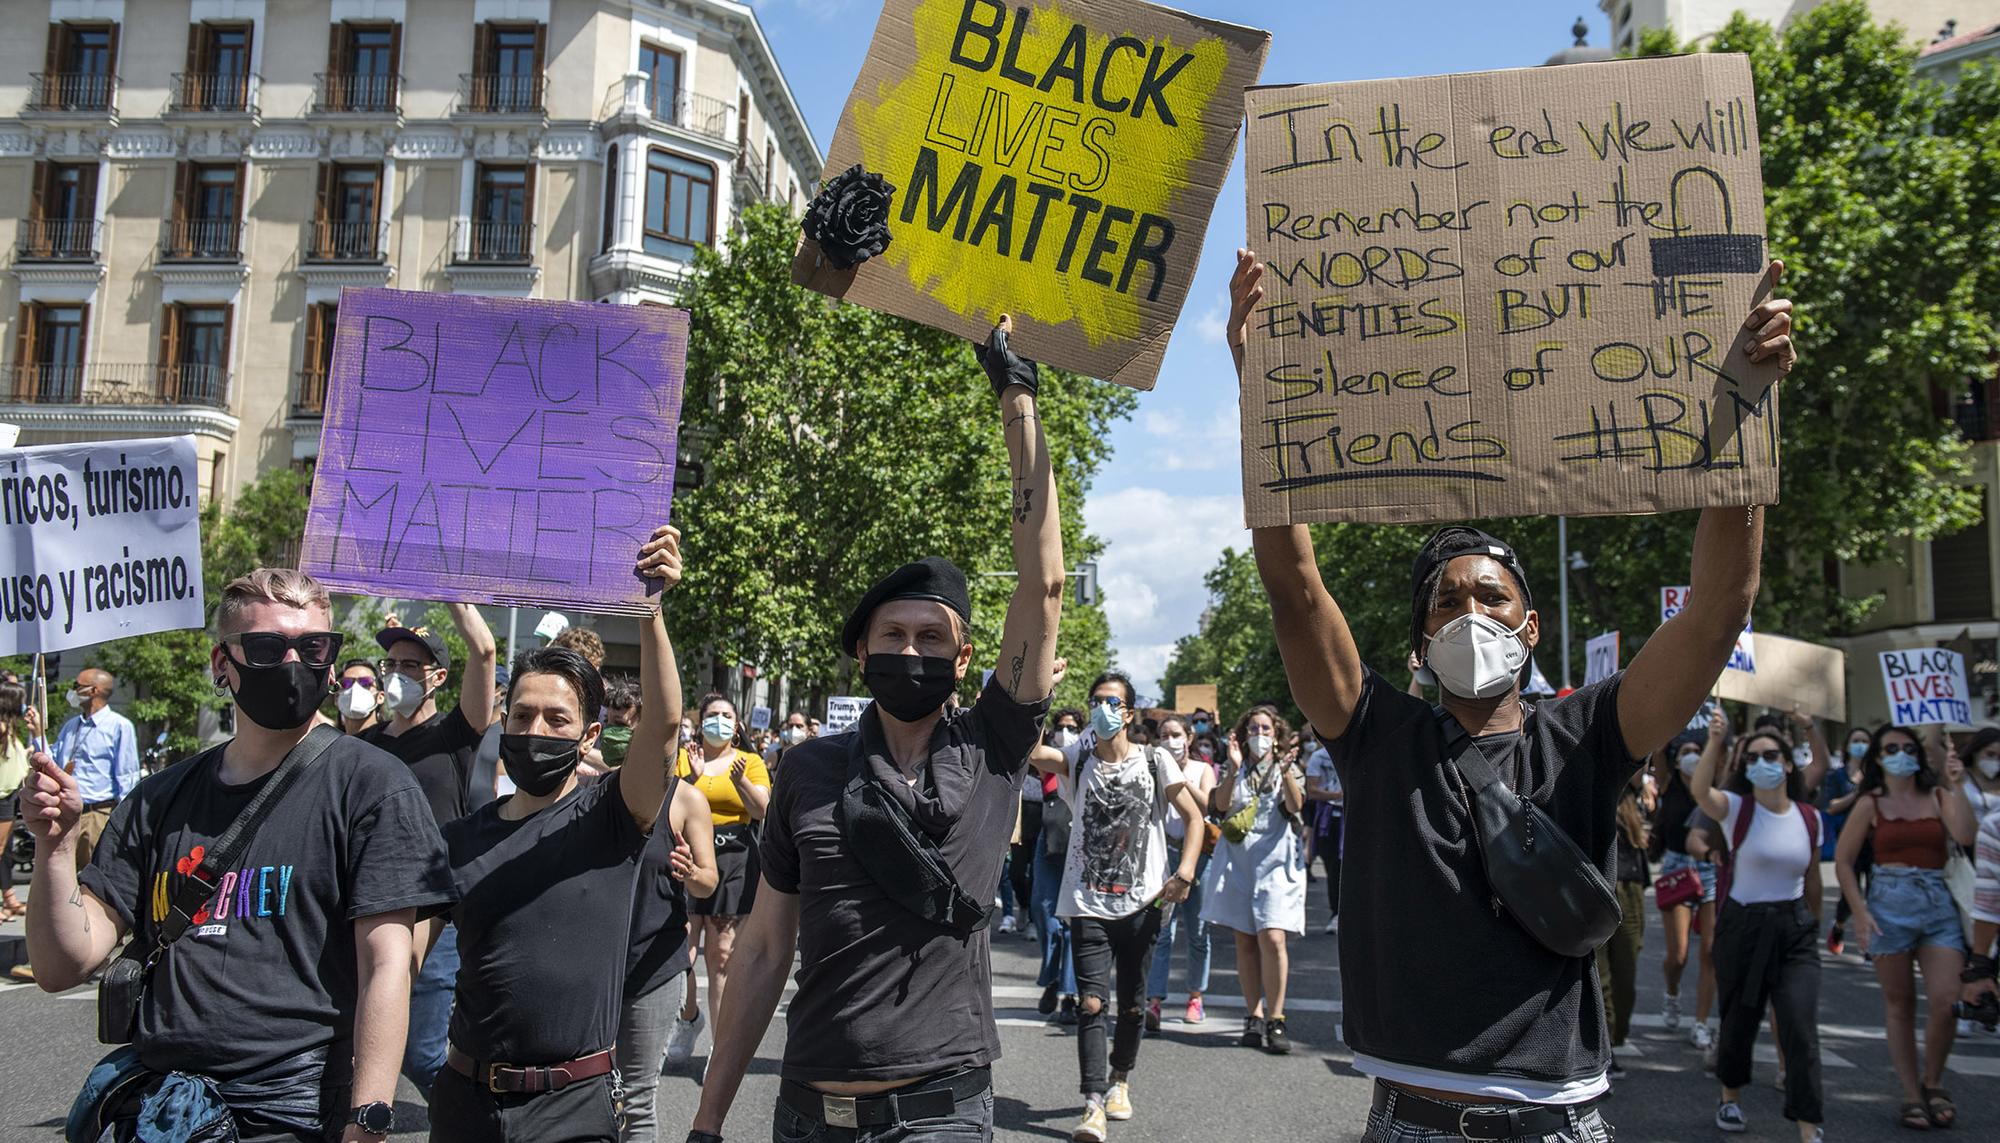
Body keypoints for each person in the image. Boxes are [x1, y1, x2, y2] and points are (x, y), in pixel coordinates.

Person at [1228, 240, 1798, 1137]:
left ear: (1530, 628)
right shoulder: (1375, 732)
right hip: (1406, 1119)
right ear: (1420, 639)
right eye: (1445, 601)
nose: (1467, 612)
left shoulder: (1591, 732)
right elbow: (1296, 589)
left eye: (1489, 597)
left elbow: (1720, 609)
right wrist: (1259, 396)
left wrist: (1746, 409)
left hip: (1557, 1124)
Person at [688, 319, 1063, 1143]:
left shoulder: (993, 746)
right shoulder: (807, 771)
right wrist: (708, 1121)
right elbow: (760, 952)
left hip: (940, 1115)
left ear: (966, 660)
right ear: (861, 651)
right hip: (808, 1113)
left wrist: (1018, 400)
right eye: (893, 635)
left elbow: (1044, 581)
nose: (910, 651)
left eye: (933, 638)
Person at [26, 567, 455, 1141]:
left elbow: (388, 967)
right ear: (221, 664)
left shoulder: (372, 786)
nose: (292, 662)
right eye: (266, 646)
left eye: (313, 646)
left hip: (293, 1112)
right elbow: (62, 965)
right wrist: (54, 847)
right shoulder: (159, 798)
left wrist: (368, 1120)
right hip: (162, 1109)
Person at [424, 525, 682, 1142]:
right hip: (466, 1105)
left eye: (557, 718)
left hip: (575, 1110)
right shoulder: (460, 840)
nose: (535, 728)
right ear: (502, 722)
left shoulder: (613, 817)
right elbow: (397, 963)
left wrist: (649, 609)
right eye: (521, 714)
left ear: (589, 737)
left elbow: (665, 724)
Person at [1028, 672, 1203, 1142]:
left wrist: (1184, 872)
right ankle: (1092, 1104)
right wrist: (1036, 692)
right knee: (1090, 1003)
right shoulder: (1076, 758)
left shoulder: (1156, 760)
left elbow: (1194, 818)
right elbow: (1027, 749)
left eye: (1113, 702)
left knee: (1131, 1005)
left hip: (1143, 904)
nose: (1104, 708)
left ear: (1128, 713)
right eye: (1096, 701)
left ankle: (1119, 1080)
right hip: (1087, 903)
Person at [356, 604, 498, 1097]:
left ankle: (473, 1122)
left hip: (432, 914)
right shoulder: (367, 743)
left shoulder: (455, 734)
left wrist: (454, 594)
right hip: (367, 905)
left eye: (409, 666)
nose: (395, 674)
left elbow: (483, 650)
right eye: (389, 664)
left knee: (422, 1053)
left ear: (437, 677)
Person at [1689, 713, 1826, 1140]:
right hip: (1744, 926)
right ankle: (1730, 1097)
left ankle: (1808, 1124)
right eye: (1752, 758)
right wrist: (1715, 740)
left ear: (1788, 764)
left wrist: (1815, 927)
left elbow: (1814, 880)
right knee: (1739, 1021)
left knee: (1800, 1027)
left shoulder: (1809, 818)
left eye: (1771, 755)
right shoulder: (1735, 809)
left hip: (1794, 930)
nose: (1761, 763)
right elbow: (1700, 790)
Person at [1836, 726, 1979, 1130]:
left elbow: (1966, 834)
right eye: (1891, 748)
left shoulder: (1938, 795)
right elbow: (1845, 861)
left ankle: (1934, 1081)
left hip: (1937, 903)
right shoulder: (1871, 803)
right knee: (1899, 1005)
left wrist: (1957, 785)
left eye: (1908, 748)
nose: (1901, 754)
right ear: (1878, 759)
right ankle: (1911, 1093)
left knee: (1947, 999)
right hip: (1888, 904)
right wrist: (1860, 914)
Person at [617, 718, 720, 1143]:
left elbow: (708, 881)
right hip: (592, 968)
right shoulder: (593, 788)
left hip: (653, 969)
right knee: (584, 1096)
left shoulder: (686, 799)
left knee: (634, 1102)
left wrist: (692, 871)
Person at [664, 693, 771, 1073]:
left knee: (722, 956)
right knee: (683, 955)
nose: (720, 721)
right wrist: (691, 778)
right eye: (713, 715)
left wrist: (741, 781)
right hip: (688, 856)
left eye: (727, 715)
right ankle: (689, 1016)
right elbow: (666, 805)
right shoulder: (681, 759)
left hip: (736, 860)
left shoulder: (751, 762)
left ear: (737, 724)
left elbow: (762, 809)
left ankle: (721, 1048)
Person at [1203, 705, 1308, 1054]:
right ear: (1242, 734)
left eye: (1266, 729)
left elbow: (1295, 806)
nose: (1259, 735)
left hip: (1277, 862)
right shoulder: (1233, 766)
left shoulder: (1286, 767)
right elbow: (1218, 804)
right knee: (1245, 940)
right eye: (1253, 729)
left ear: (1276, 733)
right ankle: (1253, 1014)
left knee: (1273, 937)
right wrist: (1232, 769)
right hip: (1238, 861)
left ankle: (1276, 1017)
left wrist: (1287, 772)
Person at [1145, 714, 1216, 1030]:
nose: (1170, 740)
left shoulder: (1202, 770)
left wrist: (1179, 778)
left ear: (1188, 737)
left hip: (1199, 856)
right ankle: (1155, 1000)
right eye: (1164, 734)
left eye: (1176, 734)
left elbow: (1206, 807)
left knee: (1198, 931)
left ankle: (1195, 996)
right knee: (1161, 930)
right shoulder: (1153, 767)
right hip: (1164, 852)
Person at [1653, 732, 1722, 1055]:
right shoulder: (1669, 784)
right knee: (1678, 952)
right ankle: (1671, 991)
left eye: (1700, 751)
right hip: (1678, 869)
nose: (1695, 756)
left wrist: (1717, 738)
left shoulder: (1713, 790)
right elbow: (1658, 748)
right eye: (1689, 751)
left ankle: (1701, 1022)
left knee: (1710, 950)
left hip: (1710, 868)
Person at [1597, 767, 1652, 1082]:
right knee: (1600, 975)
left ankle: (1615, 1037)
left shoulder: (1634, 800)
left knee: (1626, 974)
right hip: (1595, 887)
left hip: (1629, 887)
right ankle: (1605, 1050)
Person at [1035, 708, 1086, 1024]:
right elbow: (1030, 748)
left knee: (1072, 921)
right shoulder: (1051, 762)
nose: (1065, 732)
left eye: (1072, 727)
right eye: (1061, 727)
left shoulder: (1083, 762)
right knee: (1044, 913)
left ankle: (1069, 993)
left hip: (1079, 844)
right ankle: (1053, 977)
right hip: (1049, 843)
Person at [1821, 727, 1870, 953]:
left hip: (1873, 841)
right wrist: (1857, 793)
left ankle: (1873, 939)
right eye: (1856, 740)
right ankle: (1840, 925)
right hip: (1847, 840)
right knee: (1850, 893)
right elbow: (1830, 807)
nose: (1861, 745)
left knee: (1875, 890)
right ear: (1848, 746)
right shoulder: (1837, 776)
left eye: (1865, 741)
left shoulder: (1876, 775)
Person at [1303, 725, 1343, 937]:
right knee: (1333, 866)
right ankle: (1336, 913)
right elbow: (1312, 791)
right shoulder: (1318, 757)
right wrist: (1338, 794)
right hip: (1330, 819)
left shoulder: (1357, 751)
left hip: (1354, 816)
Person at [0, 682, 34, 921]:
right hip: (2, 795)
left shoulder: (10, 729)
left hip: (10, 793)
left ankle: (9, 900)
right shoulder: (2, 727)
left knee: (4, 852)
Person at [334, 659, 383, 735]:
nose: (355, 688)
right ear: (337, 698)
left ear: (380, 697)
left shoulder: (391, 744)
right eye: (346, 683)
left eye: (366, 682)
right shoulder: (329, 744)